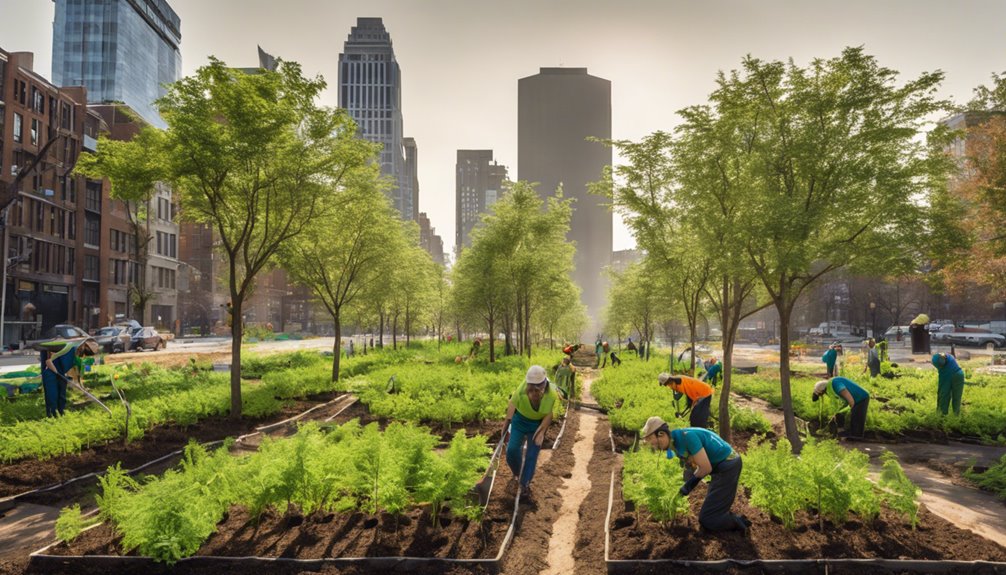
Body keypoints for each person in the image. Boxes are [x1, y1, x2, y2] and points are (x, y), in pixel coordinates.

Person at [640, 417, 750, 533]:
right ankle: (726, 515)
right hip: (718, 466)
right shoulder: (676, 441)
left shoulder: (687, 437)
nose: (656, 448)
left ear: (661, 434)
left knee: (707, 519)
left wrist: (686, 488)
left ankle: (736, 521)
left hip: (727, 466)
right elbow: (693, 463)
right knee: (713, 509)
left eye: (655, 443)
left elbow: (705, 468)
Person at [503, 365, 556, 503]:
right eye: (530, 389)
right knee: (512, 451)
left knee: (532, 455)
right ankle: (517, 473)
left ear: (542, 387)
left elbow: (549, 415)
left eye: (536, 390)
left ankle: (524, 484)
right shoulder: (522, 390)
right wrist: (506, 426)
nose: (532, 394)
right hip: (520, 420)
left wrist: (542, 431)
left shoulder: (551, 395)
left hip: (537, 425)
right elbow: (512, 405)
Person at [39, 339, 98, 418]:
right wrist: (56, 371)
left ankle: (61, 414)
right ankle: (52, 417)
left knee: (62, 396)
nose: (84, 355)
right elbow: (48, 358)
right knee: (52, 395)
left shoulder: (77, 357)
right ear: (84, 346)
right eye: (86, 352)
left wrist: (78, 385)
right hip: (50, 372)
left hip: (62, 374)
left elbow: (76, 372)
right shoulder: (67, 346)